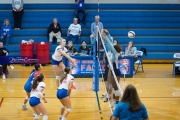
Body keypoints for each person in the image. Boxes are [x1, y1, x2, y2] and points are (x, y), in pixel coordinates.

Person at [102, 29, 123, 109]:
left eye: (113, 47)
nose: (112, 47)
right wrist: (104, 37)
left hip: (116, 71)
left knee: (115, 87)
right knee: (113, 86)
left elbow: (110, 45)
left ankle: (117, 102)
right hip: (111, 70)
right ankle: (114, 101)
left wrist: (106, 35)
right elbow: (108, 44)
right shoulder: (111, 52)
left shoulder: (116, 53)